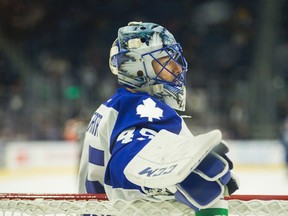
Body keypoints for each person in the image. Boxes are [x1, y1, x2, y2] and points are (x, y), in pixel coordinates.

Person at [78, 21, 239, 215]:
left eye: (176, 60)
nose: (178, 68)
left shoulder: (113, 106)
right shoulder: (140, 107)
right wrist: (163, 178)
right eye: (166, 61)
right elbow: (127, 156)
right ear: (138, 67)